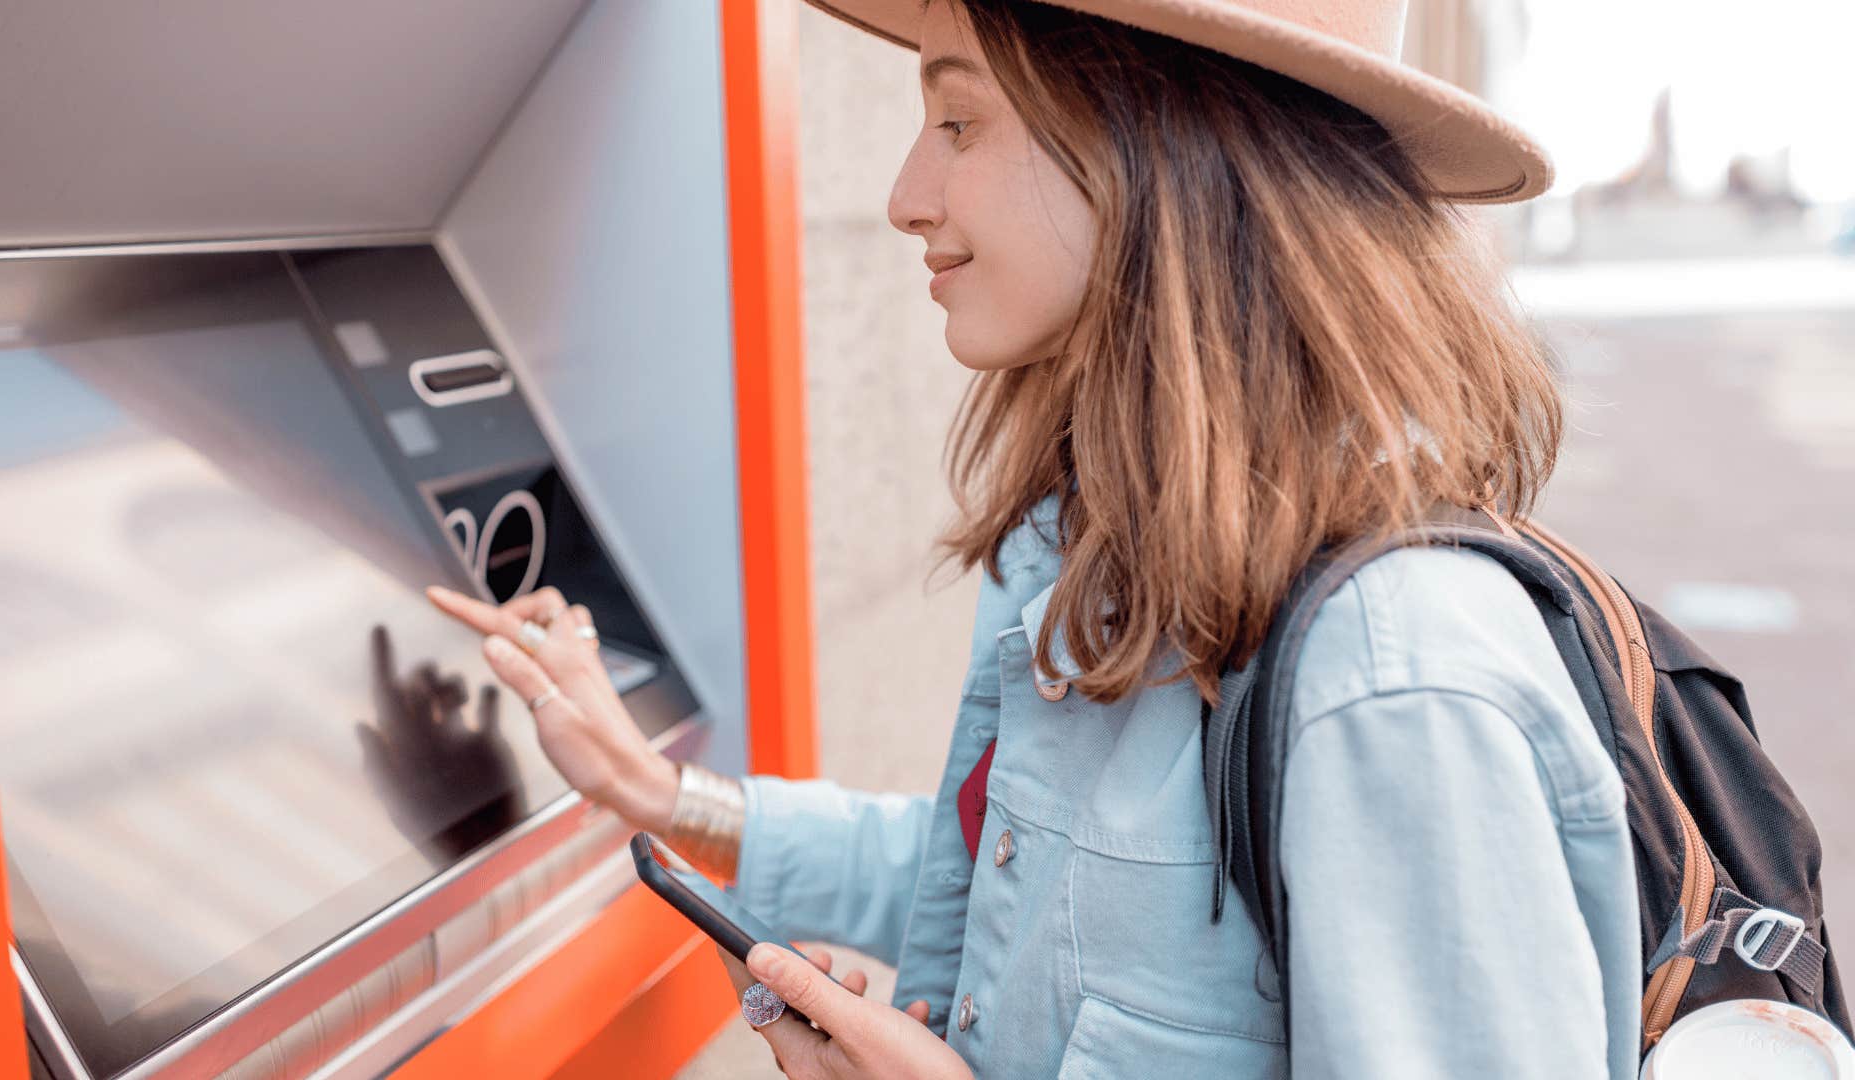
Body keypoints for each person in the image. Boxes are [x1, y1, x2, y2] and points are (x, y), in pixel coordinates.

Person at [428, 0, 1641, 1075]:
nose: (906, 196)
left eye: (959, 124)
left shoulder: (1394, 684)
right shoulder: (1096, 547)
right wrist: (665, 793)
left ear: (1161, 139)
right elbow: (1021, 890)